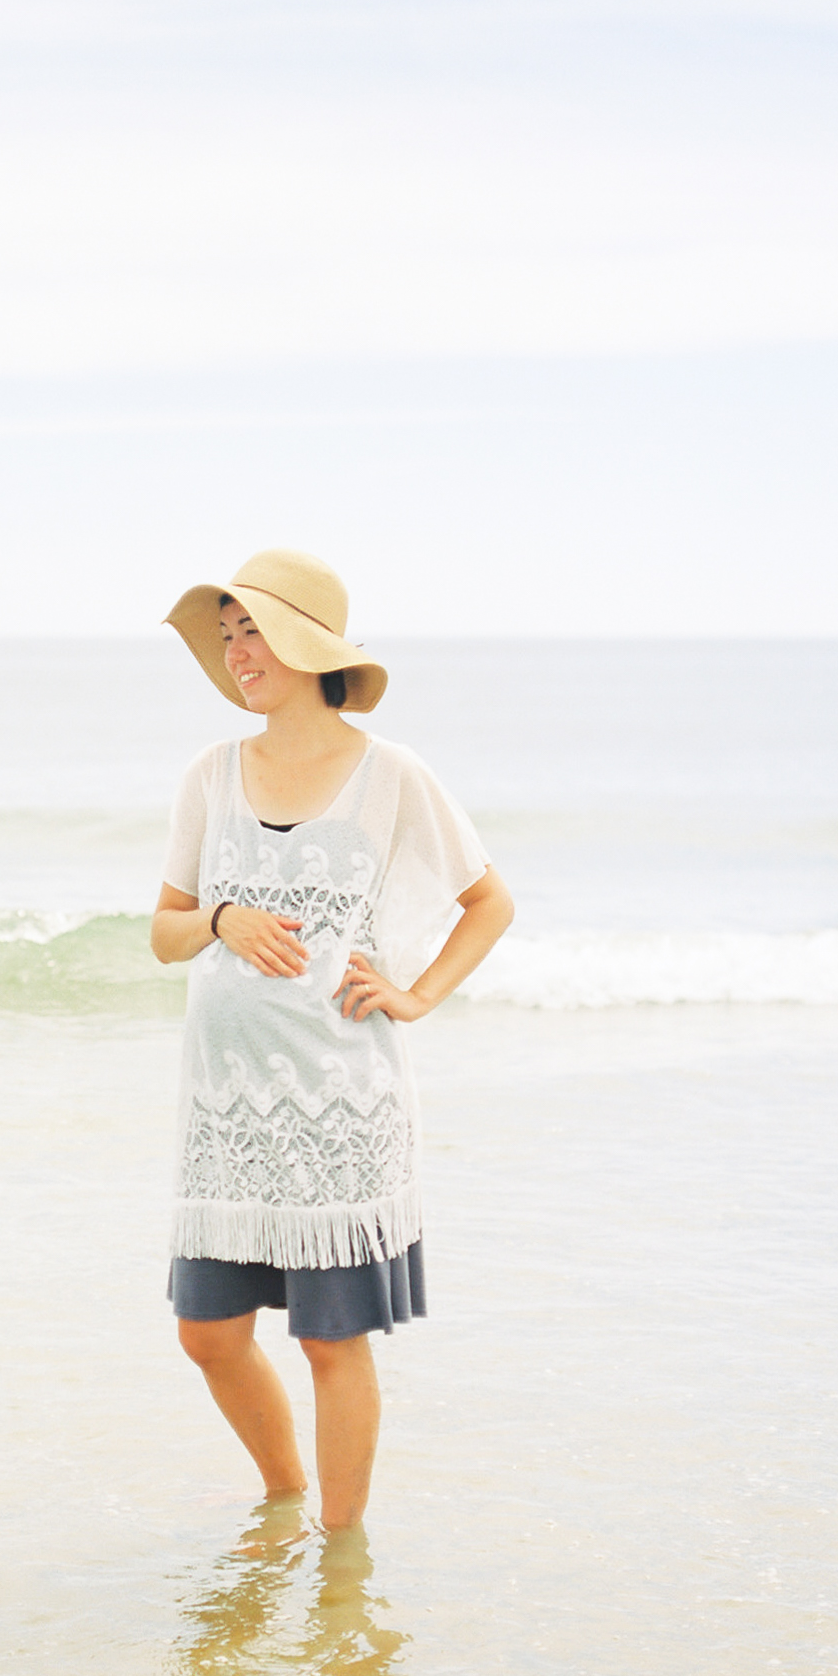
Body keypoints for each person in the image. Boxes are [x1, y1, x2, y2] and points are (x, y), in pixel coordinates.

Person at [151, 548, 514, 1533]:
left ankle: (338, 1555)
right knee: (207, 1332)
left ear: (309, 646)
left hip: (339, 1108)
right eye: (225, 636)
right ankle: (283, 1493)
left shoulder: (391, 776)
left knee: (329, 1341)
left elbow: (487, 902)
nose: (235, 652)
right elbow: (162, 932)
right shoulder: (209, 777)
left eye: (250, 630)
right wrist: (222, 917)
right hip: (225, 1113)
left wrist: (417, 994)